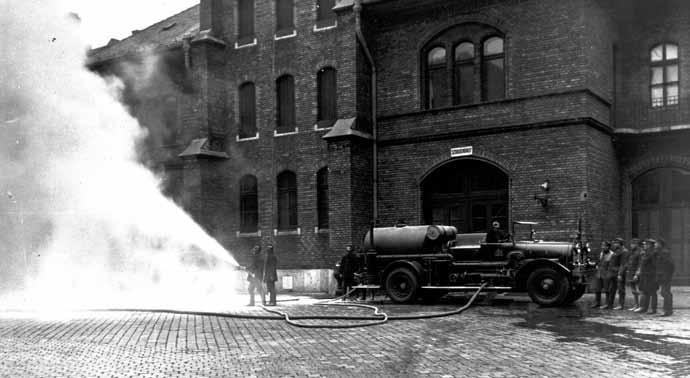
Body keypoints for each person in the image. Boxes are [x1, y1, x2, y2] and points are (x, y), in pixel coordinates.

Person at [634, 238, 658, 314]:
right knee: (644, 291)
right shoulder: (644, 253)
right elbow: (641, 265)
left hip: (651, 276)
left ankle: (653, 309)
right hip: (644, 276)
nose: (644, 245)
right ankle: (643, 307)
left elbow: (656, 266)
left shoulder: (654, 253)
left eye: (646, 244)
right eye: (644, 244)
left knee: (652, 292)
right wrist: (638, 273)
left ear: (650, 245)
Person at [591, 241, 614, 309]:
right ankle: (597, 302)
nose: (602, 247)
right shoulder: (602, 253)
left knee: (607, 289)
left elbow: (611, 265)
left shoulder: (612, 254)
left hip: (607, 273)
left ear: (608, 247)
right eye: (602, 246)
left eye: (604, 246)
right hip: (599, 273)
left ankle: (607, 303)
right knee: (597, 288)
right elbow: (600, 262)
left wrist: (609, 274)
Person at [655, 238, 675, 316]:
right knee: (665, 293)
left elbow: (670, 265)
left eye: (656, 243)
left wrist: (666, 274)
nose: (655, 245)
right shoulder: (661, 252)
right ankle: (668, 310)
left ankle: (667, 311)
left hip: (665, 276)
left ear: (660, 244)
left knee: (665, 293)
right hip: (663, 276)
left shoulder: (664, 253)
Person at [611, 237, 629, 310]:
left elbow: (623, 264)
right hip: (613, 271)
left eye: (616, 243)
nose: (614, 244)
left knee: (621, 289)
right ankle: (610, 303)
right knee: (612, 288)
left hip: (619, 272)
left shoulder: (624, 251)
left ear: (620, 243)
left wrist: (620, 274)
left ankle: (621, 304)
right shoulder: (616, 251)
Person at [626, 238, 642, 311]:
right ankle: (636, 305)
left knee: (639, 289)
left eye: (633, 244)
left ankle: (641, 306)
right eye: (631, 244)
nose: (631, 245)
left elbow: (640, 264)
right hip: (631, 272)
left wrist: (637, 274)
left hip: (636, 274)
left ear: (636, 244)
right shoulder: (632, 252)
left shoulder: (639, 252)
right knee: (633, 290)